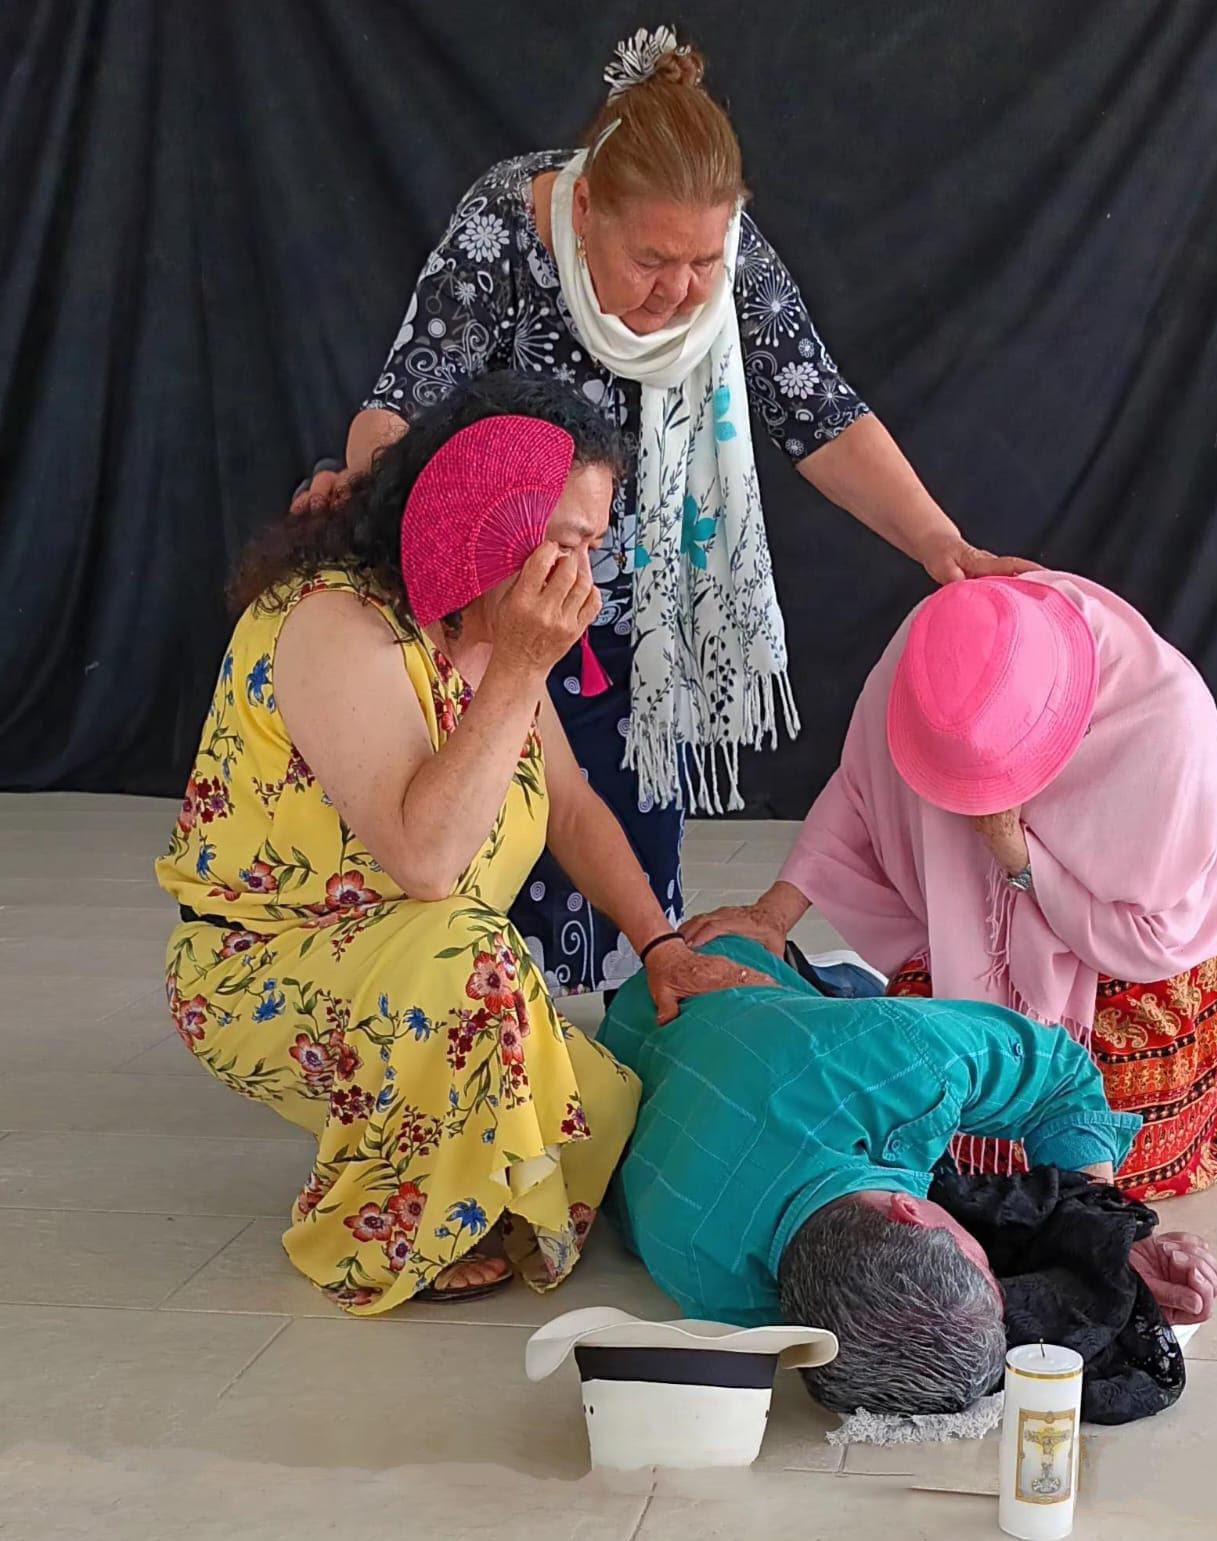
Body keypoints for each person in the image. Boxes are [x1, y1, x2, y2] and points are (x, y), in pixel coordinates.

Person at [292, 26, 1031, 997]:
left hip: (641, 620)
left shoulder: (729, 254)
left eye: (701, 261)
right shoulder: (504, 223)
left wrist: (941, 543)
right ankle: (481, 1038)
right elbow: (403, 403)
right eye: (651, 259)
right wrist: (373, 496)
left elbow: (819, 412)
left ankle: (621, 1025)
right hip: (491, 594)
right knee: (474, 850)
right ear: (585, 208)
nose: (681, 288)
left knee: (621, 865)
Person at [155, 373, 776, 1316]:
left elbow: (570, 807)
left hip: (423, 968)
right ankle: (373, 1230)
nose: (581, 573)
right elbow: (427, 862)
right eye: (563, 541)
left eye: (593, 546)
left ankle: (441, 1156)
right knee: (471, 954)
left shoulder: (484, 628)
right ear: (484, 514)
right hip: (260, 968)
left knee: (607, 1112)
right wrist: (520, 666)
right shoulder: (333, 622)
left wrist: (660, 944)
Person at [684, 572, 1217, 1200]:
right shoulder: (929, 660)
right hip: (983, 931)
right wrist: (773, 913)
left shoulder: (1166, 725)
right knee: (908, 1072)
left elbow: (1147, 933)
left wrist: (1017, 856)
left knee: (1099, 1121)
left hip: (1134, 951)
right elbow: (860, 789)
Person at [596, 935, 1217, 1417]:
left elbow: (1061, 1075)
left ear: (910, 1211)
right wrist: (1090, 1252)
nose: (996, 1265)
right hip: (669, 1006)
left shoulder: (897, 1061)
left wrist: (1102, 1227)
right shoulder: (714, 1289)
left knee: (858, 999)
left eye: (988, 1269)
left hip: (704, 984)